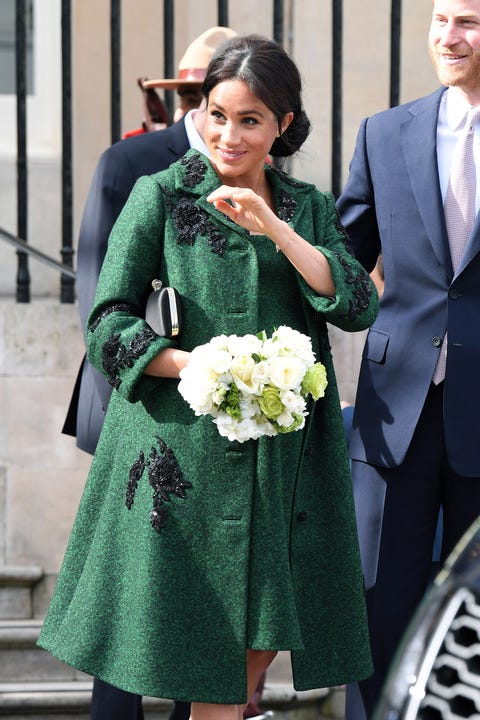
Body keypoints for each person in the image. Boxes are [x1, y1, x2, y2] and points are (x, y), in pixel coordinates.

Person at [40, 34, 377, 720]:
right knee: (188, 663)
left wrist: (276, 229)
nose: (228, 133)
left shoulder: (307, 208)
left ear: (282, 125)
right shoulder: (159, 196)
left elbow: (355, 302)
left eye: (250, 119)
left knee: (243, 673)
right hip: (177, 466)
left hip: (281, 473)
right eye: (217, 114)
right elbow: (107, 323)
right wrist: (198, 364)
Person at [61, 25, 237, 720]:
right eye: (196, 89)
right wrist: (130, 404)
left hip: (225, 411)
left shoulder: (254, 167)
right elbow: (95, 291)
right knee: (131, 594)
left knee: (208, 592)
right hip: (137, 404)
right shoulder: (130, 161)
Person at [336, 0, 480, 716]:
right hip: (394, 414)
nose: (449, 38)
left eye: (470, 22)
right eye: (439, 19)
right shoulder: (383, 132)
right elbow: (342, 262)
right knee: (378, 608)